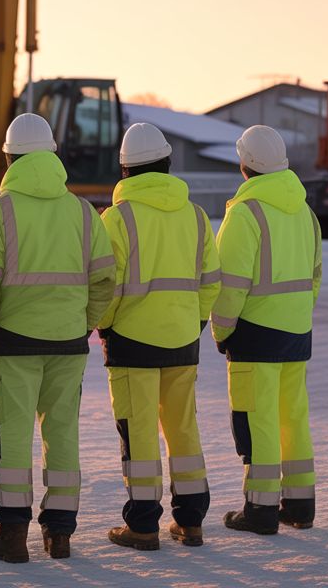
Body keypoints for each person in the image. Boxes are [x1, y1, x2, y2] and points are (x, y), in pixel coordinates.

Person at [0, 113, 116, 562]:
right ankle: (60, 535)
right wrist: (84, 323)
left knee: (12, 437)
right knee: (63, 436)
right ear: (52, 154)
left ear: (10, 158)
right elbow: (105, 279)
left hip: (13, 344)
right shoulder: (83, 212)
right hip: (68, 343)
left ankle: (10, 537)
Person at [98, 122, 222, 551]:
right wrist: (196, 321)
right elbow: (211, 280)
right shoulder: (196, 216)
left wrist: (106, 325)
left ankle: (144, 524)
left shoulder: (118, 218)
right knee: (184, 429)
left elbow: (107, 286)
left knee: (140, 434)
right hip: (183, 339)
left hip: (132, 340)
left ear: (126, 170)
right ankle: (191, 522)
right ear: (168, 162)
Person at [211, 124, 321, 535]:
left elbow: (229, 288)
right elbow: (315, 276)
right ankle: (300, 506)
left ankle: (259, 511)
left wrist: (221, 332)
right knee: (293, 418)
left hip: (255, 333)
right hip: (296, 331)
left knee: (257, 421)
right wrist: (296, 315)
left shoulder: (245, 213)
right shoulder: (305, 212)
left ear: (245, 165)